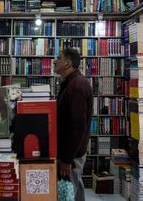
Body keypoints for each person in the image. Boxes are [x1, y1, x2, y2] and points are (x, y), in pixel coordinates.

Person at [54, 48, 93, 201]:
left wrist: (67, 159)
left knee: (69, 190)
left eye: (58, 58)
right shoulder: (72, 83)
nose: (55, 61)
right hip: (72, 151)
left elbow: (77, 127)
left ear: (67, 63)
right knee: (74, 188)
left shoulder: (76, 87)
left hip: (71, 153)